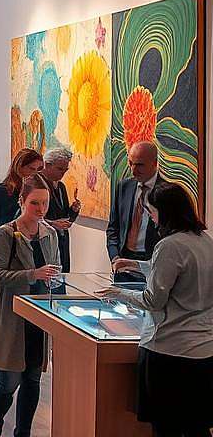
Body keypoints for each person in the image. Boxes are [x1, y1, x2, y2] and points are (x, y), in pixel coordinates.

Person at [98, 182, 213, 437]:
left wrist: (118, 293)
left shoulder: (169, 245)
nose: (150, 217)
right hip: (203, 352)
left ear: (165, 211)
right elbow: (179, 273)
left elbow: (153, 301)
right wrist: (137, 265)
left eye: (151, 211)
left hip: (169, 351)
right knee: (197, 427)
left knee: (165, 427)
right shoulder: (205, 241)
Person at [0, 174, 61, 437]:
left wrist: (53, 280)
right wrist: (33, 274)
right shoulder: (6, 233)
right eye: (34, 203)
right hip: (11, 316)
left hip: (39, 317)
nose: (41, 210)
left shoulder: (50, 234)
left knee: (32, 379)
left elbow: (55, 269)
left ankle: (23, 433)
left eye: (45, 203)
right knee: (8, 381)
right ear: (22, 201)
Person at [107, 141, 170, 283]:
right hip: (123, 263)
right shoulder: (124, 187)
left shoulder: (167, 193)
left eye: (140, 165)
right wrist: (115, 257)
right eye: (131, 163)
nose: (133, 170)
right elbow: (113, 228)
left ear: (154, 163)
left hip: (152, 264)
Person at [0, 148, 44, 253]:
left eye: (38, 170)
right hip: (6, 246)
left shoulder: (37, 193)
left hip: (31, 247)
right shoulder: (1, 191)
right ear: (19, 167)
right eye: (31, 169)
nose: (35, 174)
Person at [40, 148, 80, 272]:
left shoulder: (61, 186)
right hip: (43, 242)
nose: (63, 173)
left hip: (61, 241)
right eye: (59, 169)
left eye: (65, 170)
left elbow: (65, 217)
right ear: (47, 165)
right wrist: (52, 224)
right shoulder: (36, 185)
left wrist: (73, 211)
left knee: (62, 275)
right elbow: (29, 217)